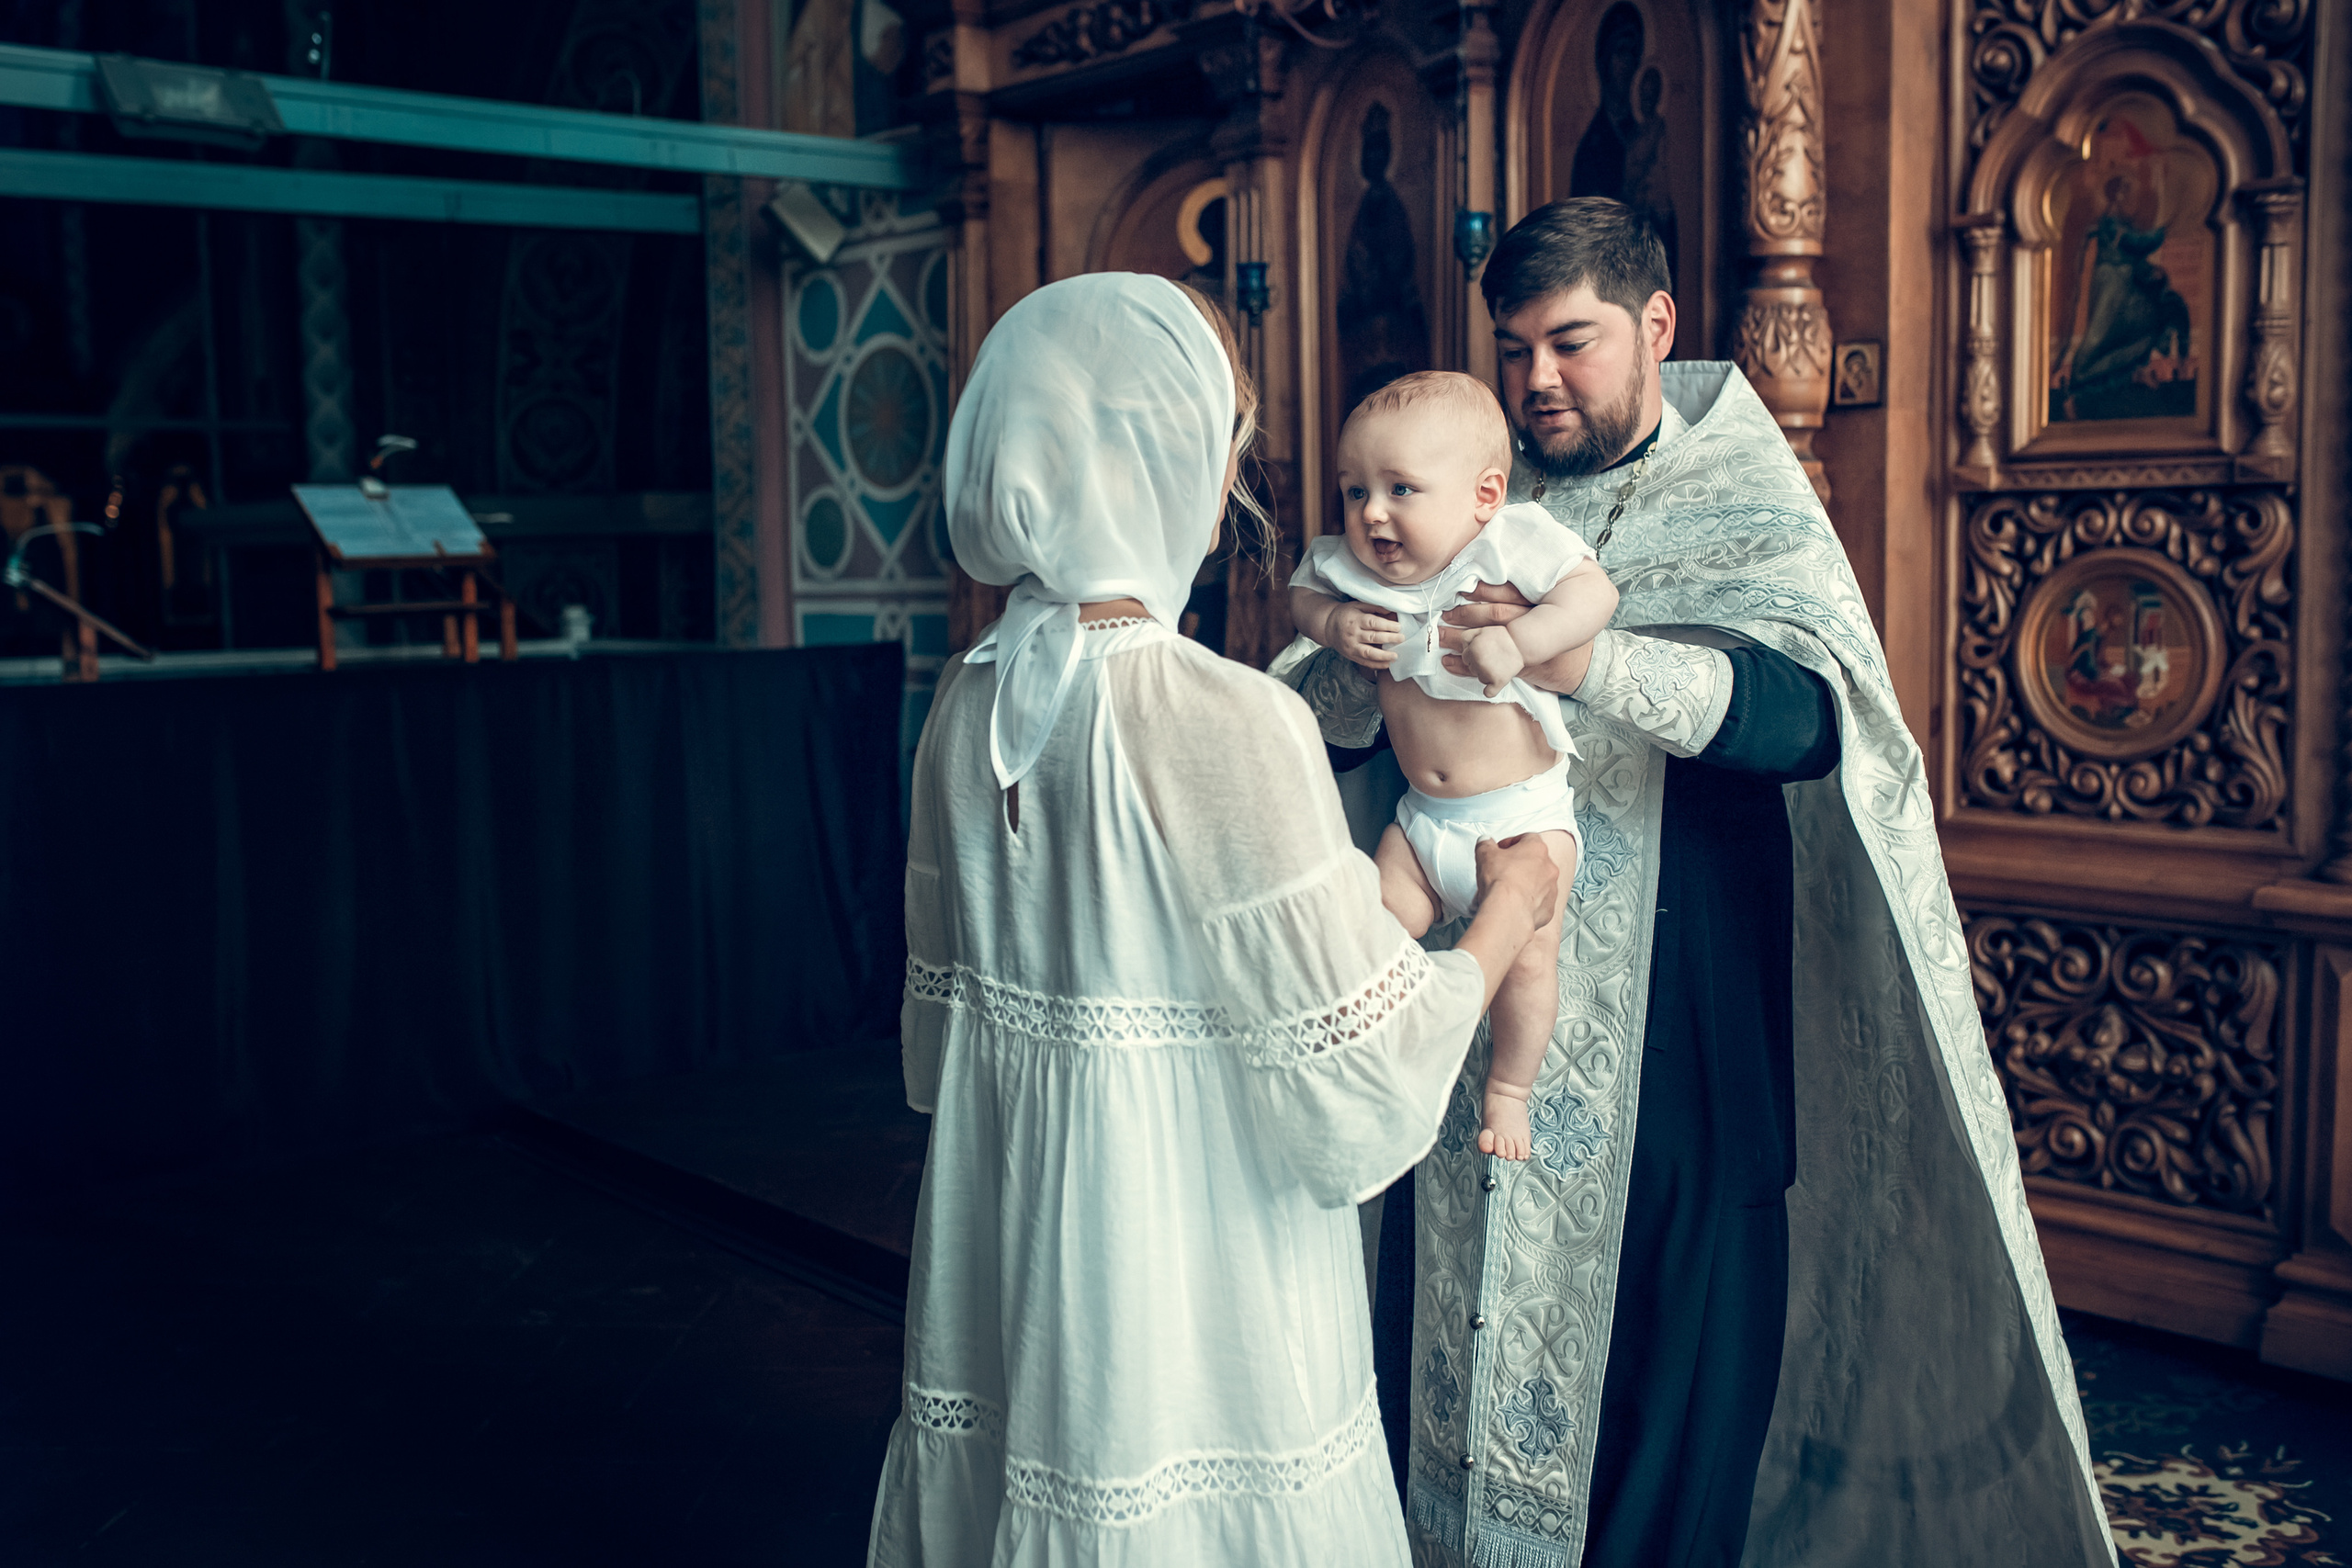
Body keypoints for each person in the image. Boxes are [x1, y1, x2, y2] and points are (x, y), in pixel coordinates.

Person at [1278, 198, 2114, 1567]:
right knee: (1443, 1329)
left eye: (1573, 343)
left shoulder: (1741, 485)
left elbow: (1809, 717)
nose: (1538, 378)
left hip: (1683, 1030)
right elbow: (1344, 707)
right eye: (1516, 348)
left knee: (1669, 1408)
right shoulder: (1463, 485)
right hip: (1478, 1012)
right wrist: (1352, 641)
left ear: (1657, 325)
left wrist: (1583, 662)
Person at [865, 272, 1562, 1566]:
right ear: (1151, 462)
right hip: (1189, 1237)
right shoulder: (1224, 713)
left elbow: (942, 1039)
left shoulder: (964, 703)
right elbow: (1361, 1058)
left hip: (1010, 1217)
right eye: (1221, 447)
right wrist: (1509, 909)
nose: (1227, 480)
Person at [1288, 372, 1617, 1160]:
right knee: (1371, 922)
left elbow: (1592, 595)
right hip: (1422, 823)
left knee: (1530, 957)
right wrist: (1333, 624)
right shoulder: (1353, 567)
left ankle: (1509, 1088)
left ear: (1484, 494)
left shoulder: (1509, 539)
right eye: (1355, 489)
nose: (1372, 512)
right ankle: (1370, 1055)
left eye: (1401, 488)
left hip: (1522, 817)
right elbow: (1302, 594)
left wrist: (1524, 641)